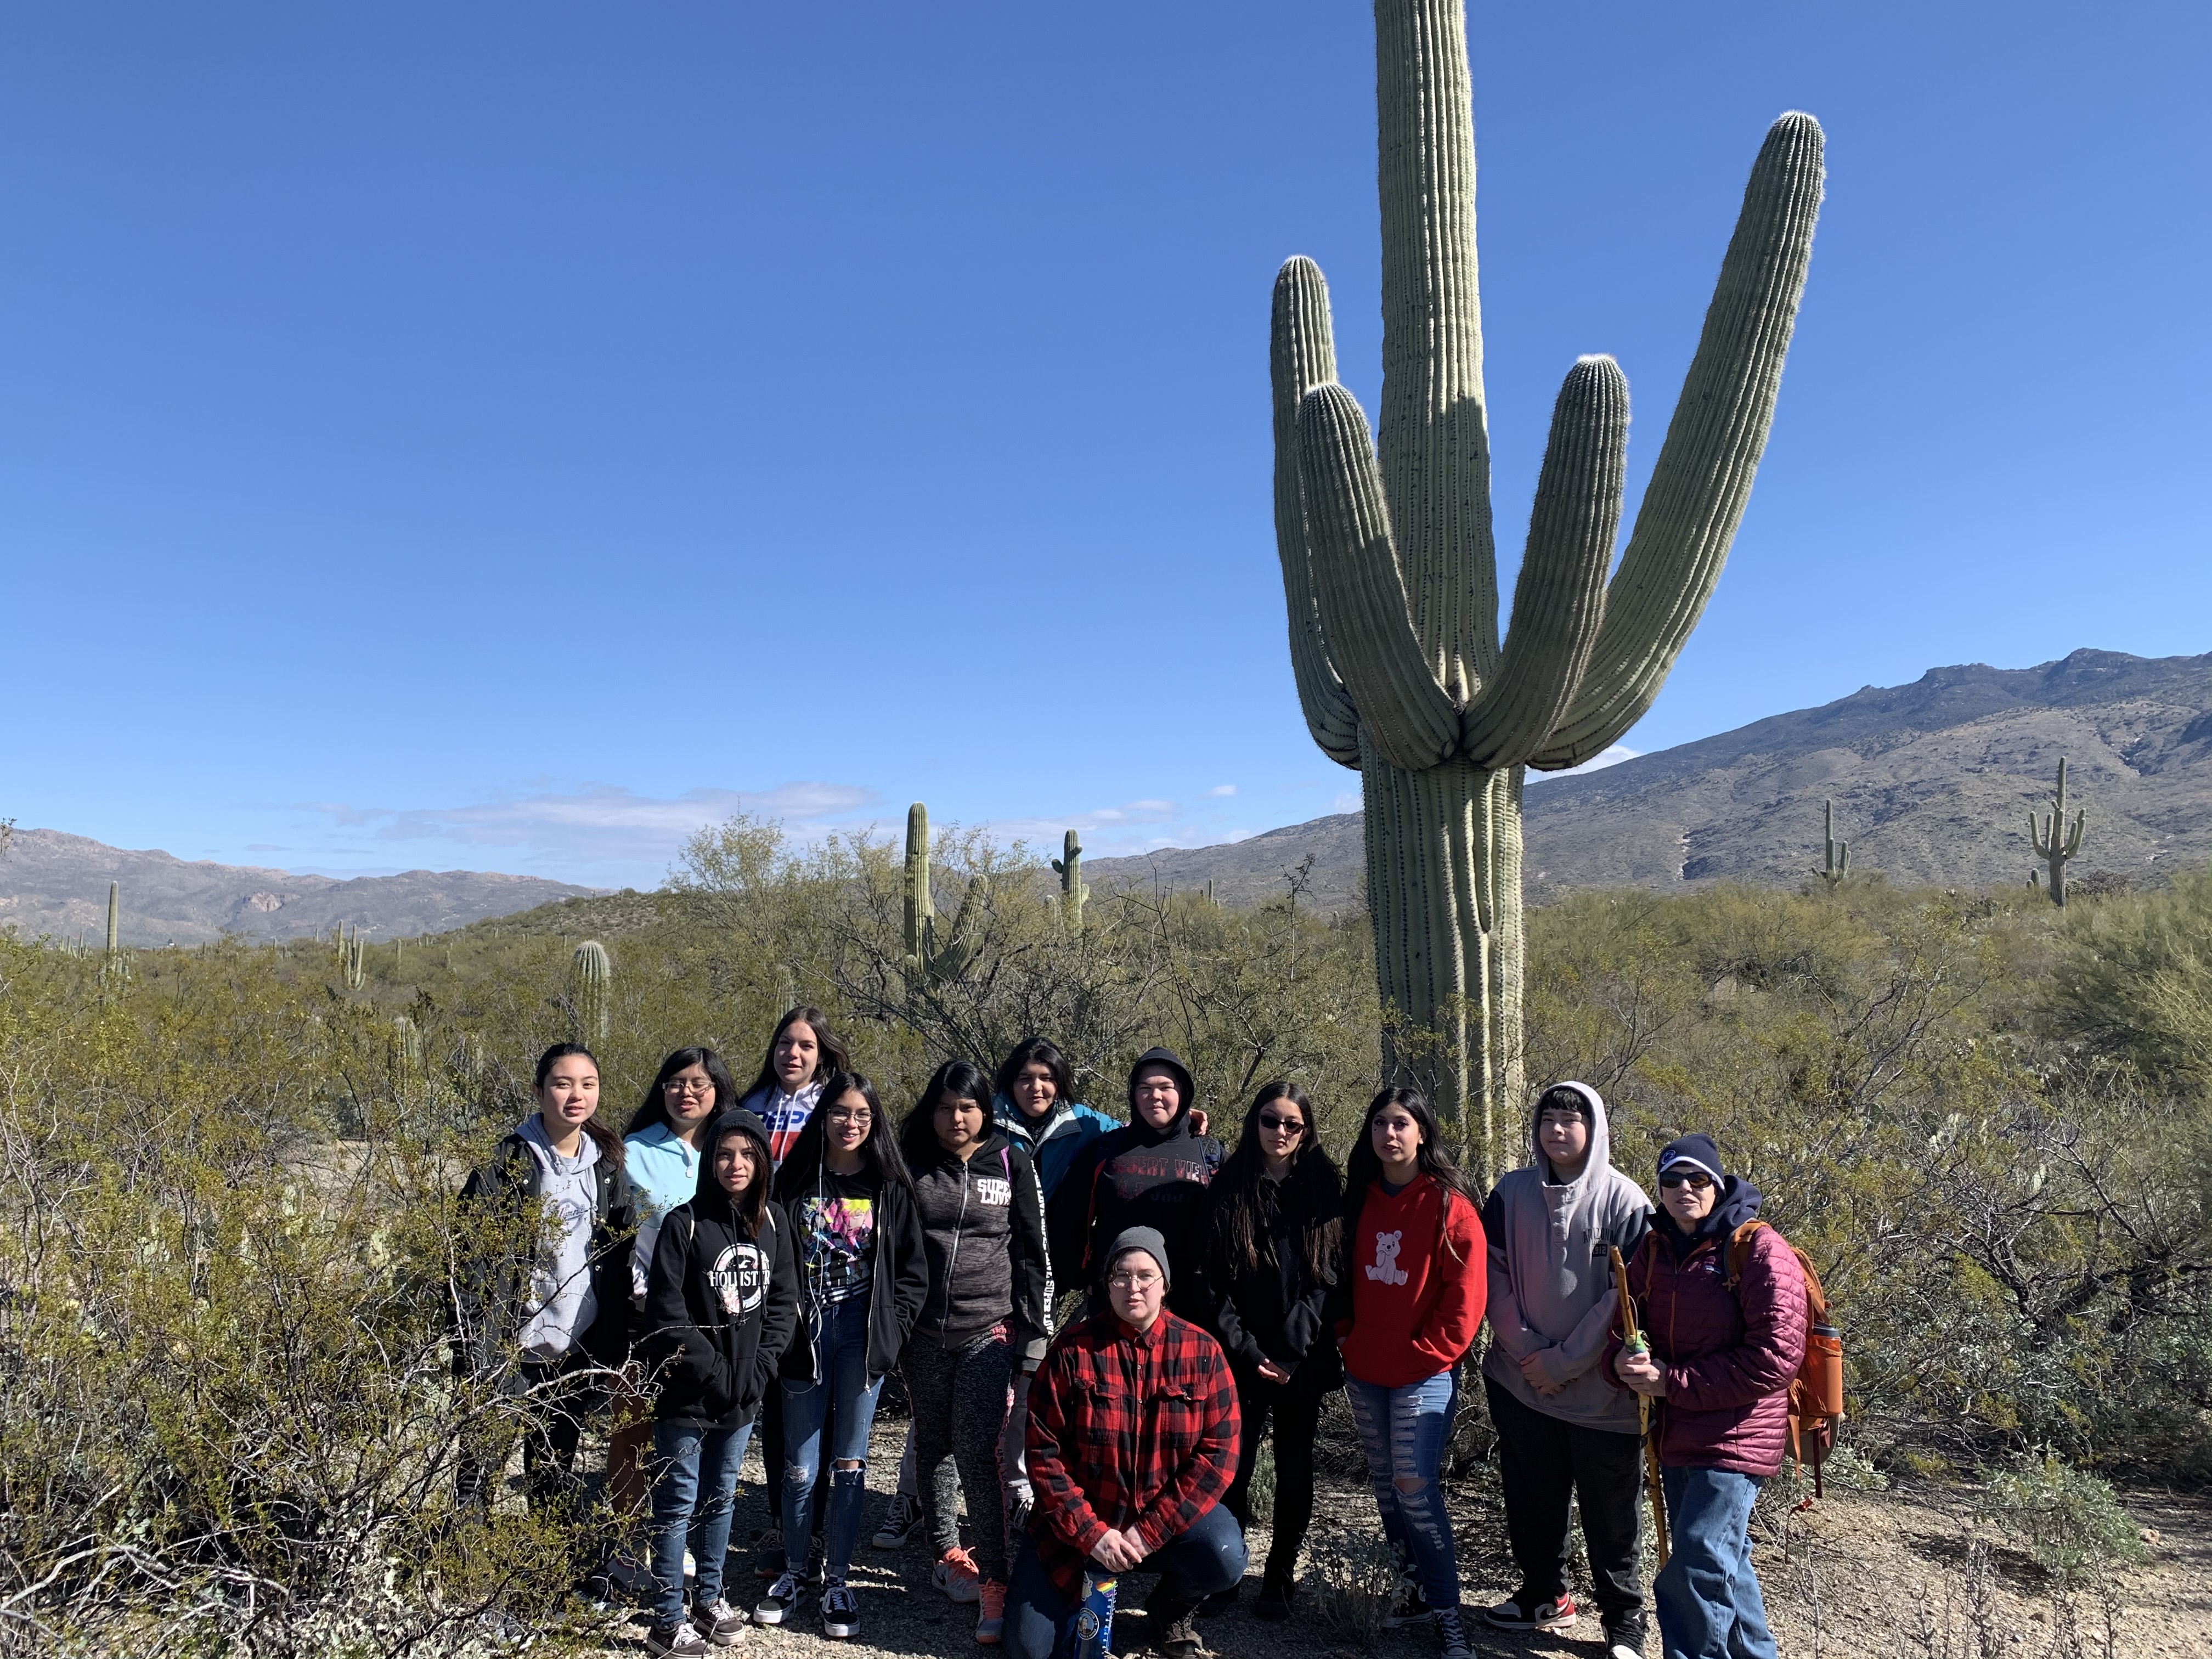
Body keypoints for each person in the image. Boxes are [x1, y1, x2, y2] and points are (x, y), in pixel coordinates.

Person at [1609, 1135, 1806, 1659]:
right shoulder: (1654, 1250)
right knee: (1724, 1560)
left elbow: (1776, 1358)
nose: (1684, 1190)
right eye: (1671, 1181)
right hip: (1678, 1432)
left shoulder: (1758, 1249)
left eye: (1698, 1179)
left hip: (1736, 1434)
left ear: (1718, 1185)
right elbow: (1626, 1324)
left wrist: (1669, 1382)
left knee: (1696, 1561)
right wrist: (1625, 1360)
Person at [1010, 1228, 1244, 1659]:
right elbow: (1045, 1456)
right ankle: (1082, 1605)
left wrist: (1147, 1534)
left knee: (1224, 1554)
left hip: (1162, 1526)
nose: (1132, 1287)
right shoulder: (1072, 1351)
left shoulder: (1203, 1352)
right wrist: (1091, 1535)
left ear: (1165, 1284)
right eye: (1120, 1275)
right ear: (1107, 1283)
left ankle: (1170, 1608)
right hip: (1079, 1530)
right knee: (1030, 1650)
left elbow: (1218, 1457)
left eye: (1145, 1275)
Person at [1479, 1081, 1652, 1657]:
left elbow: (1624, 1298)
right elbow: (1493, 1276)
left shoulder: (1626, 1202)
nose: (1557, 1129)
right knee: (1531, 1498)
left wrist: (1561, 1361)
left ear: (1594, 1128)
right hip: (1521, 1382)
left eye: (1570, 1121)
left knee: (1611, 1516)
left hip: (1600, 1394)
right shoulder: (1509, 1193)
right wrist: (1529, 1353)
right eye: (1548, 1118)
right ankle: (1542, 1595)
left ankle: (1624, 1622)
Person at [754, 1071, 928, 1641]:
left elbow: (911, 1273)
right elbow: (771, 1257)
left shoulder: (889, 1186)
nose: (850, 1123)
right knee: (800, 1465)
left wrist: (892, 1333)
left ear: (873, 1121)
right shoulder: (796, 1179)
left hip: (862, 1332)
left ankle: (837, 1579)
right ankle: (795, 1573)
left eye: (861, 1114)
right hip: (804, 1333)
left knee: (850, 1463)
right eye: (840, 1113)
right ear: (822, 1116)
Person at [636, 1109, 801, 1657]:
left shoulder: (773, 1223)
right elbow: (665, 1312)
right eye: (726, 1154)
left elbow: (781, 1306)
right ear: (710, 1161)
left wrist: (758, 1371)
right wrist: (711, 1370)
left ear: (762, 1162)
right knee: (678, 1503)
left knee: (720, 1500)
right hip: (687, 1395)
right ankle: (666, 1619)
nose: (737, 1164)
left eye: (748, 1155)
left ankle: (708, 1598)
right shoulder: (683, 1225)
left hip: (744, 1396)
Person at [898, 1060, 1053, 1643]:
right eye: (943, 1108)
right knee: (933, 1440)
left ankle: (995, 1580)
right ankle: (947, 1555)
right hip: (923, 1332)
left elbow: (1035, 1252)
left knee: (978, 1452)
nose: (954, 1118)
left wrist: (1035, 1334)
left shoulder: (1012, 1160)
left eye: (965, 1107)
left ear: (985, 1109)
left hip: (989, 1330)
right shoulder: (912, 1161)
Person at [1335, 1088, 1487, 1659]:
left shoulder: (1450, 1205)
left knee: (1414, 1488)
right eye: (1379, 1123)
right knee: (1385, 1487)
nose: (1389, 1134)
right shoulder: (1360, 1200)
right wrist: (1346, 1334)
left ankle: (1451, 1619)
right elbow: (1340, 1275)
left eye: (1401, 1124)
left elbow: (1465, 1297)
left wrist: (1428, 1351)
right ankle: (1413, 1593)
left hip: (1423, 1374)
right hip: (1366, 1369)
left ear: (1422, 1133)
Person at [455, 1042, 635, 1517]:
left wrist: (612, 1340)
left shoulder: (607, 1166)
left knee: (554, 1469)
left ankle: (540, 1577)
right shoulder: (505, 1162)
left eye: (588, 1084)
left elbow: (617, 1256)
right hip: (507, 1347)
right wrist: (475, 1345)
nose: (576, 1095)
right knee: (480, 1466)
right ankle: (461, 1568)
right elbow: (471, 1258)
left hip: (573, 1348)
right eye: (562, 1083)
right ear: (538, 1091)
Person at [1198, 1081, 1342, 1620]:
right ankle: (1227, 1575)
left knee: (1294, 1465)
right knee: (1233, 1466)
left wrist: (1289, 1350)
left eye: (1292, 1124)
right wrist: (1246, 1348)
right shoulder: (1229, 1185)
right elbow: (1208, 1280)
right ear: (1253, 1122)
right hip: (1239, 1355)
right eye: (1270, 1120)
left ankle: (1279, 1577)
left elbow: (1328, 1277)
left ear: (1306, 1131)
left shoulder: (1323, 1186)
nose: (1279, 1132)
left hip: (1301, 1358)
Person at [609, 1047, 745, 1583]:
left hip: (715, 1323)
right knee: (631, 1432)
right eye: (675, 1082)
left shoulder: (734, 1153)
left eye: (698, 1083)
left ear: (718, 1091)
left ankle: (676, 1540)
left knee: (692, 1439)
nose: (686, 1092)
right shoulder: (631, 1152)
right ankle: (625, 1543)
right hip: (642, 1318)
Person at [738, 1008, 852, 1579]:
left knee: (824, 1401)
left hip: (825, 1268)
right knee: (780, 1401)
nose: (794, 1054)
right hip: (758, 1262)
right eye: (785, 1043)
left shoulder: (838, 1105)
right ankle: (786, 1526)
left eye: (806, 1046)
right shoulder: (751, 1105)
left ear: (823, 1052)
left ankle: (824, 1524)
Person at [1048, 1048, 1222, 1319]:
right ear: (1133, 1094)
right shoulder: (1106, 1149)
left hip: (1191, 1308)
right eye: (1145, 1088)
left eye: (1166, 1087)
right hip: (1116, 1303)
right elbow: (1071, 1219)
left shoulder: (1210, 1153)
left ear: (1184, 1093)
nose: (1155, 1096)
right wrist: (1082, 1278)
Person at [991, 1036, 1118, 1200]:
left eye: (1047, 1078)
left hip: (1057, 1224)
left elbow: (1131, 1133)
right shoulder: (985, 1117)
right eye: (1025, 1078)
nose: (1036, 1087)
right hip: (999, 1224)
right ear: (1011, 1083)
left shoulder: (1080, 1121)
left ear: (1060, 1082)